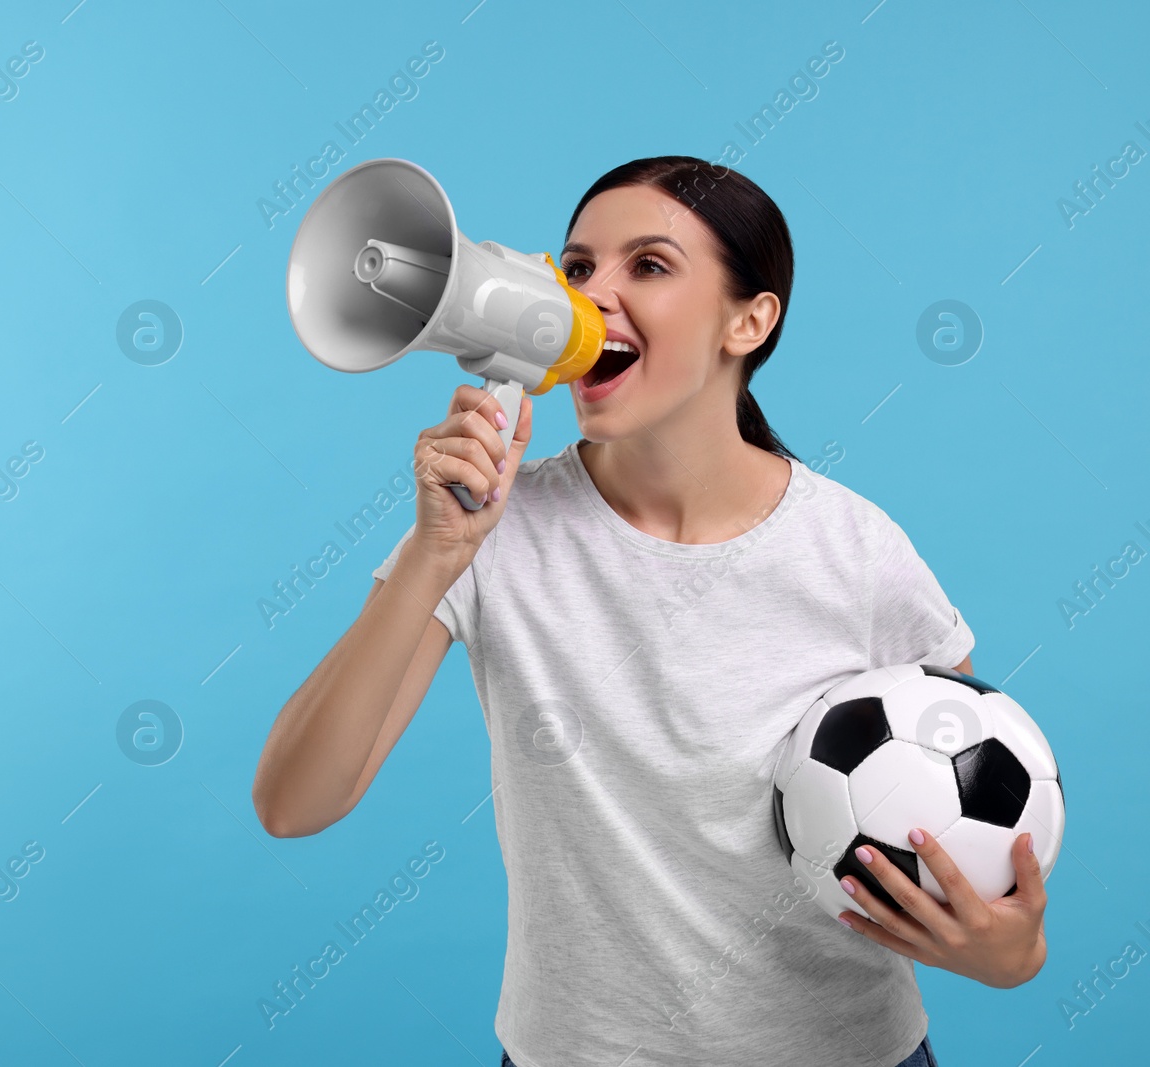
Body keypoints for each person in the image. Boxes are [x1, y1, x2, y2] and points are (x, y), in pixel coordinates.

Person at [251, 157, 1046, 1067]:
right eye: (578, 267)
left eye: (650, 266)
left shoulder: (855, 552)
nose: (595, 299)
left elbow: (979, 811)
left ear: (749, 320)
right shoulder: (485, 531)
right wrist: (434, 557)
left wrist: (1009, 950)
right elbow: (292, 801)